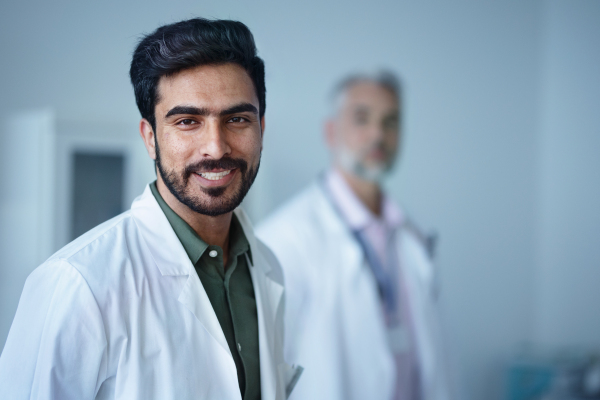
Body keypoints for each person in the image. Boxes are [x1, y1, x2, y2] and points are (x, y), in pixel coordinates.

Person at [0, 18, 300, 400]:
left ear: (261, 128)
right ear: (150, 138)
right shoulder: (78, 283)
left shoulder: (265, 265)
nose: (216, 147)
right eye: (188, 121)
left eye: (237, 119)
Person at [257, 71, 452, 400]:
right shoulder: (285, 239)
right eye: (362, 119)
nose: (378, 133)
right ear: (331, 132)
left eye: (390, 121)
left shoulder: (411, 236)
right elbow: (265, 374)